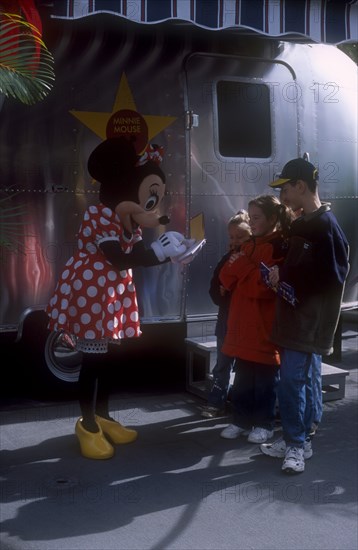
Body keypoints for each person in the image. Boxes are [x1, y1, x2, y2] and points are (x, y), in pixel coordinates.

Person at [46, 137, 196, 459]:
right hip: (92, 291)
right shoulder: (99, 215)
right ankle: (86, 425)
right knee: (93, 362)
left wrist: (171, 251)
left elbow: (137, 252)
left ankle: (103, 416)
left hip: (112, 291)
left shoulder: (127, 218)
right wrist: (159, 253)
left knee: (110, 361)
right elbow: (119, 257)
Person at [260, 158, 349, 473]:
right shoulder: (303, 223)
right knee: (307, 377)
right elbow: (297, 267)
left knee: (293, 382)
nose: (282, 195)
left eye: (285, 188)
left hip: (307, 323)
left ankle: (296, 445)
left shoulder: (326, 226)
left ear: (300, 186)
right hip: (294, 319)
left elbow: (333, 276)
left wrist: (285, 275)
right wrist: (279, 271)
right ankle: (303, 437)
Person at [219, 195, 293, 443]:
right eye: (250, 217)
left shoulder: (279, 247)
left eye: (257, 217)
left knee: (265, 381)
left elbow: (262, 288)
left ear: (273, 218)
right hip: (242, 326)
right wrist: (246, 271)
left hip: (263, 327)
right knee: (241, 380)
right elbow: (225, 277)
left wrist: (242, 269)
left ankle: (264, 424)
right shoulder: (249, 245)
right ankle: (240, 420)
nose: (252, 222)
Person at [279, 188, 322, 437]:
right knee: (301, 374)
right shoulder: (294, 232)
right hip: (294, 312)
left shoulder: (317, 228)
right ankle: (305, 421)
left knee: (309, 371)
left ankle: (312, 419)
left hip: (307, 315)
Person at [201, 211, 252, 418]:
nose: (235, 241)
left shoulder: (252, 259)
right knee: (222, 364)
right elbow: (214, 287)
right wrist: (221, 294)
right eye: (232, 237)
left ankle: (239, 403)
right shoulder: (226, 259)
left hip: (245, 322)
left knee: (242, 367)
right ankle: (216, 401)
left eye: (240, 237)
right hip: (226, 320)